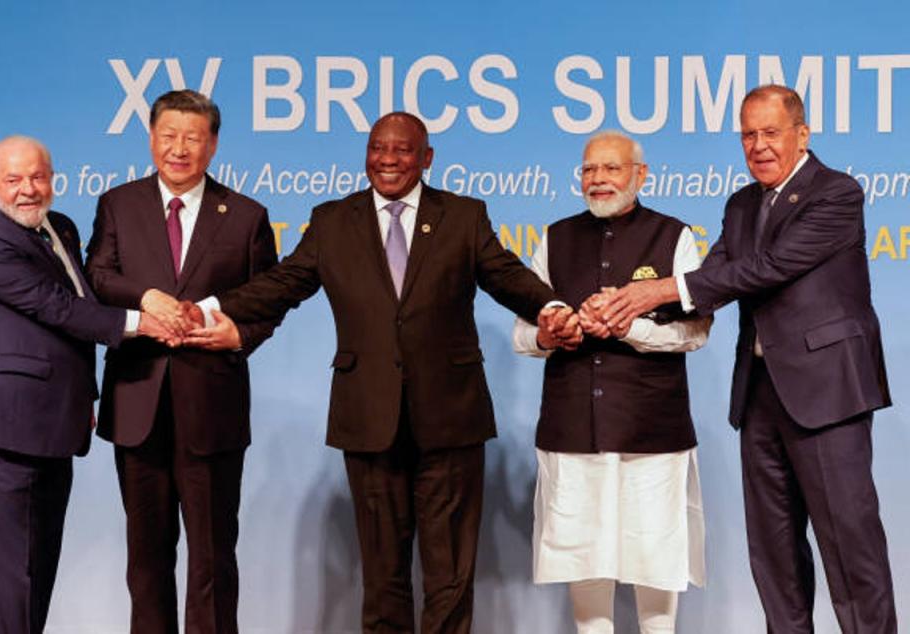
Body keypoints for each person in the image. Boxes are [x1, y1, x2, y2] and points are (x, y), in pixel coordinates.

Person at [183, 111, 562, 634]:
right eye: (377, 148)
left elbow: (505, 275)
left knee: (450, 574)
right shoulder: (334, 220)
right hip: (368, 418)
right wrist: (210, 308)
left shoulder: (463, 216)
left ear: (426, 159)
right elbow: (284, 283)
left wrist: (552, 307)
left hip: (450, 419)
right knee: (382, 574)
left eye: (402, 150)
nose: (387, 159)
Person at [597, 85, 895, 633]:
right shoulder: (740, 204)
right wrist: (622, 312)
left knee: (852, 554)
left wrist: (657, 290)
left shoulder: (837, 193)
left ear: (801, 135)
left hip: (826, 394)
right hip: (759, 397)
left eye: (771, 133)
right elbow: (711, 281)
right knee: (774, 556)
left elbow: (769, 268)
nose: (758, 146)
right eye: (748, 135)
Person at [84, 90, 279, 634]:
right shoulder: (117, 204)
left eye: (192, 138)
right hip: (138, 404)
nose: (179, 149)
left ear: (213, 144)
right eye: (168, 136)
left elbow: (269, 298)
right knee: (146, 560)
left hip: (211, 410)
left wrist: (237, 335)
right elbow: (96, 277)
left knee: (213, 557)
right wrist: (145, 297)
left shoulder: (245, 216)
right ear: (151, 138)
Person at [0, 136, 168, 634]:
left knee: (38, 577)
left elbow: (82, 299)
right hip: (3, 431)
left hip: (56, 425)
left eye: (37, 177)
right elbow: (57, 307)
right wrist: (144, 321)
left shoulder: (61, 228)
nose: (28, 190)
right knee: (16, 587)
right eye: (14, 180)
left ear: (53, 178)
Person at [512, 131, 709, 634]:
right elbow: (522, 333)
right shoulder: (554, 238)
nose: (598, 180)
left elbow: (696, 332)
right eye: (588, 170)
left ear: (639, 176)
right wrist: (553, 332)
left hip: (652, 432)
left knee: (656, 557)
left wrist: (630, 327)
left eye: (611, 169)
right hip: (573, 429)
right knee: (583, 559)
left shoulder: (674, 236)